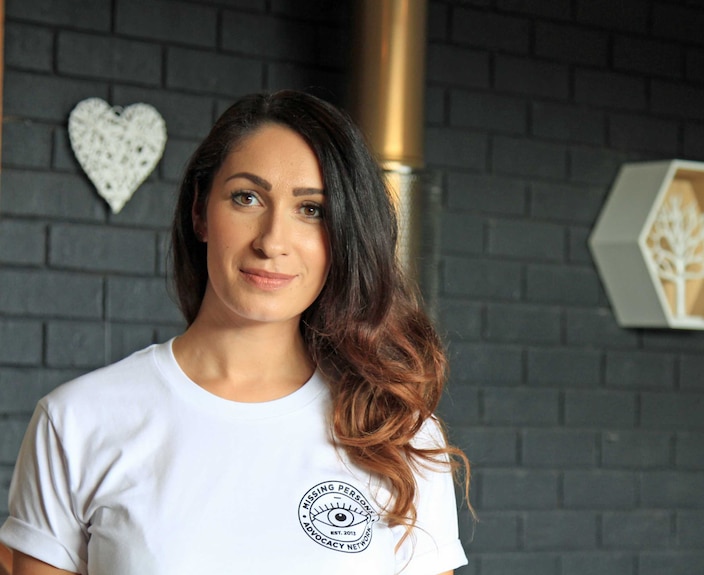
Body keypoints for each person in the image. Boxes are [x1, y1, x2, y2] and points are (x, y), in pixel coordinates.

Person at [0, 90, 469, 575]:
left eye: (312, 211)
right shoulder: (77, 421)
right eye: (247, 198)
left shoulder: (396, 431)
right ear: (201, 212)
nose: (271, 241)